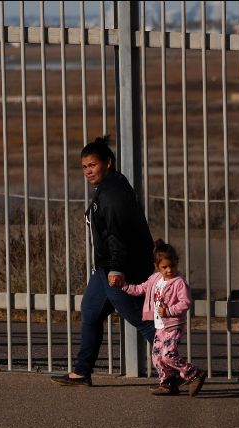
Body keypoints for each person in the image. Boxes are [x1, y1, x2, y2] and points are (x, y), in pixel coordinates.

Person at [52, 136, 156, 387]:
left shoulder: (112, 195)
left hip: (117, 269)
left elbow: (116, 235)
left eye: (92, 165)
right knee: (90, 312)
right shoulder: (110, 188)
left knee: (142, 321)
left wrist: (117, 269)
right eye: (84, 167)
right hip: (105, 269)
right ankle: (82, 371)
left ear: (107, 163)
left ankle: (179, 370)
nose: (88, 171)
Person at [123, 239, 205, 397]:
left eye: (172, 266)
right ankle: (167, 383)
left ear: (177, 262)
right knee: (156, 357)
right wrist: (124, 286)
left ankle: (194, 373)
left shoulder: (179, 282)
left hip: (173, 325)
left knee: (168, 355)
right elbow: (140, 289)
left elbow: (185, 303)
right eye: (164, 267)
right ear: (157, 267)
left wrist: (169, 311)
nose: (169, 270)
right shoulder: (155, 279)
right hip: (160, 326)